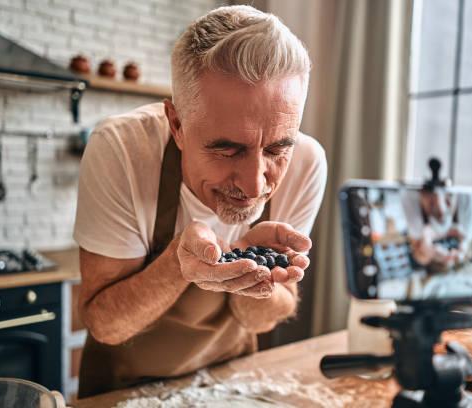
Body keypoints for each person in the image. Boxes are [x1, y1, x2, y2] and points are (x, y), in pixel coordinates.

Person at [72, 5, 327, 398]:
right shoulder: (121, 149)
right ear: (176, 124)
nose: (255, 184)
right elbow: (106, 324)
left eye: (277, 149)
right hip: (123, 391)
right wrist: (180, 263)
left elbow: (262, 319)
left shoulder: (308, 163)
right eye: (228, 150)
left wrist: (253, 271)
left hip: (231, 384)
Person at [401, 189, 472, 272]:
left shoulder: (410, 201)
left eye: (431, 204)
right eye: (449, 194)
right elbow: (468, 250)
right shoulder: (466, 204)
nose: (438, 194)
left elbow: (419, 253)